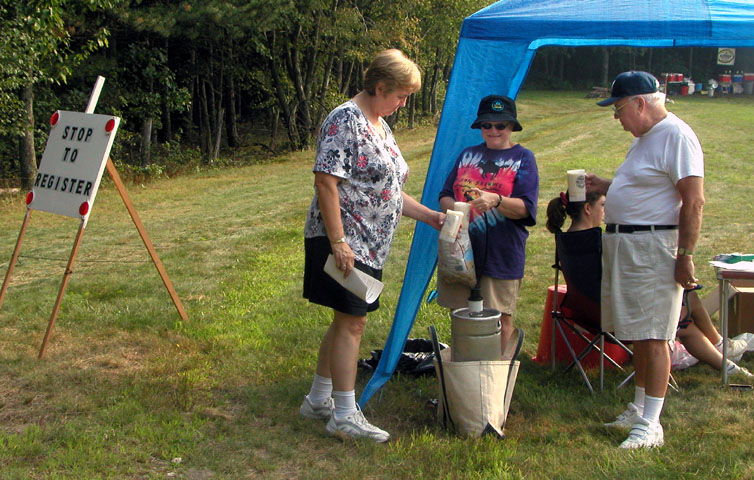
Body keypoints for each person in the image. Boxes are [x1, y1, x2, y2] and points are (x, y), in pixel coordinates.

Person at [300, 49, 444, 443]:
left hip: (369, 243)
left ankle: (318, 399)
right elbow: (326, 181)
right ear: (380, 87)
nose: (403, 103)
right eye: (400, 96)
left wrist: (430, 216)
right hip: (345, 242)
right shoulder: (344, 120)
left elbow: (389, 191)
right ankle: (344, 413)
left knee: (345, 319)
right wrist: (338, 242)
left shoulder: (379, 124)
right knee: (353, 322)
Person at [587, 71, 705, 449]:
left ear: (640, 102)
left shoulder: (676, 135)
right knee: (640, 332)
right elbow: (647, 185)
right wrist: (606, 186)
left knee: (655, 335)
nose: (616, 118)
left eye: (619, 109)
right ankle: (639, 408)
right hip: (630, 245)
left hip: (654, 247)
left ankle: (652, 424)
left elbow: (694, 201)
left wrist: (685, 255)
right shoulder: (645, 138)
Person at [546, 190, 751, 379]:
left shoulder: (567, 240)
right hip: (614, 320)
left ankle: (730, 364)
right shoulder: (598, 243)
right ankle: (724, 352)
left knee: (685, 310)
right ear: (588, 208)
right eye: (602, 205)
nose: (606, 211)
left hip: (584, 315)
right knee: (686, 304)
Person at [437, 95, 539, 353]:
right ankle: (462, 371)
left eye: (500, 125)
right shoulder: (467, 154)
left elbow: (526, 208)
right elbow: (445, 195)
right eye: (486, 125)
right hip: (461, 250)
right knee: (461, 313)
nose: (493, 130)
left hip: (501, 250)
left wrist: (497, 200)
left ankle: (492, 376)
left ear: (511, 127)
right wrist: (460, 210)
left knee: (499, 317)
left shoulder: (523, 158)